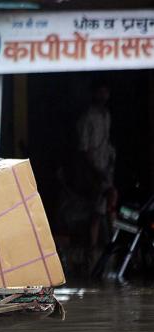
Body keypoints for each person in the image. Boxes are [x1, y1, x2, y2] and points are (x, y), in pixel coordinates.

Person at [77, 78, 118, 252]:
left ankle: (106, 245)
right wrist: (95, 170)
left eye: (106, 92)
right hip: (94, 170)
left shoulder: (106, 115)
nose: (104, 95)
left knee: (103, 208)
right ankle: (98, 247)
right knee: (100, 207)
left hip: (106, 168)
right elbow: (84, 148)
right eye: (100, 92)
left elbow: (106, 141)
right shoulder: (88, 117)